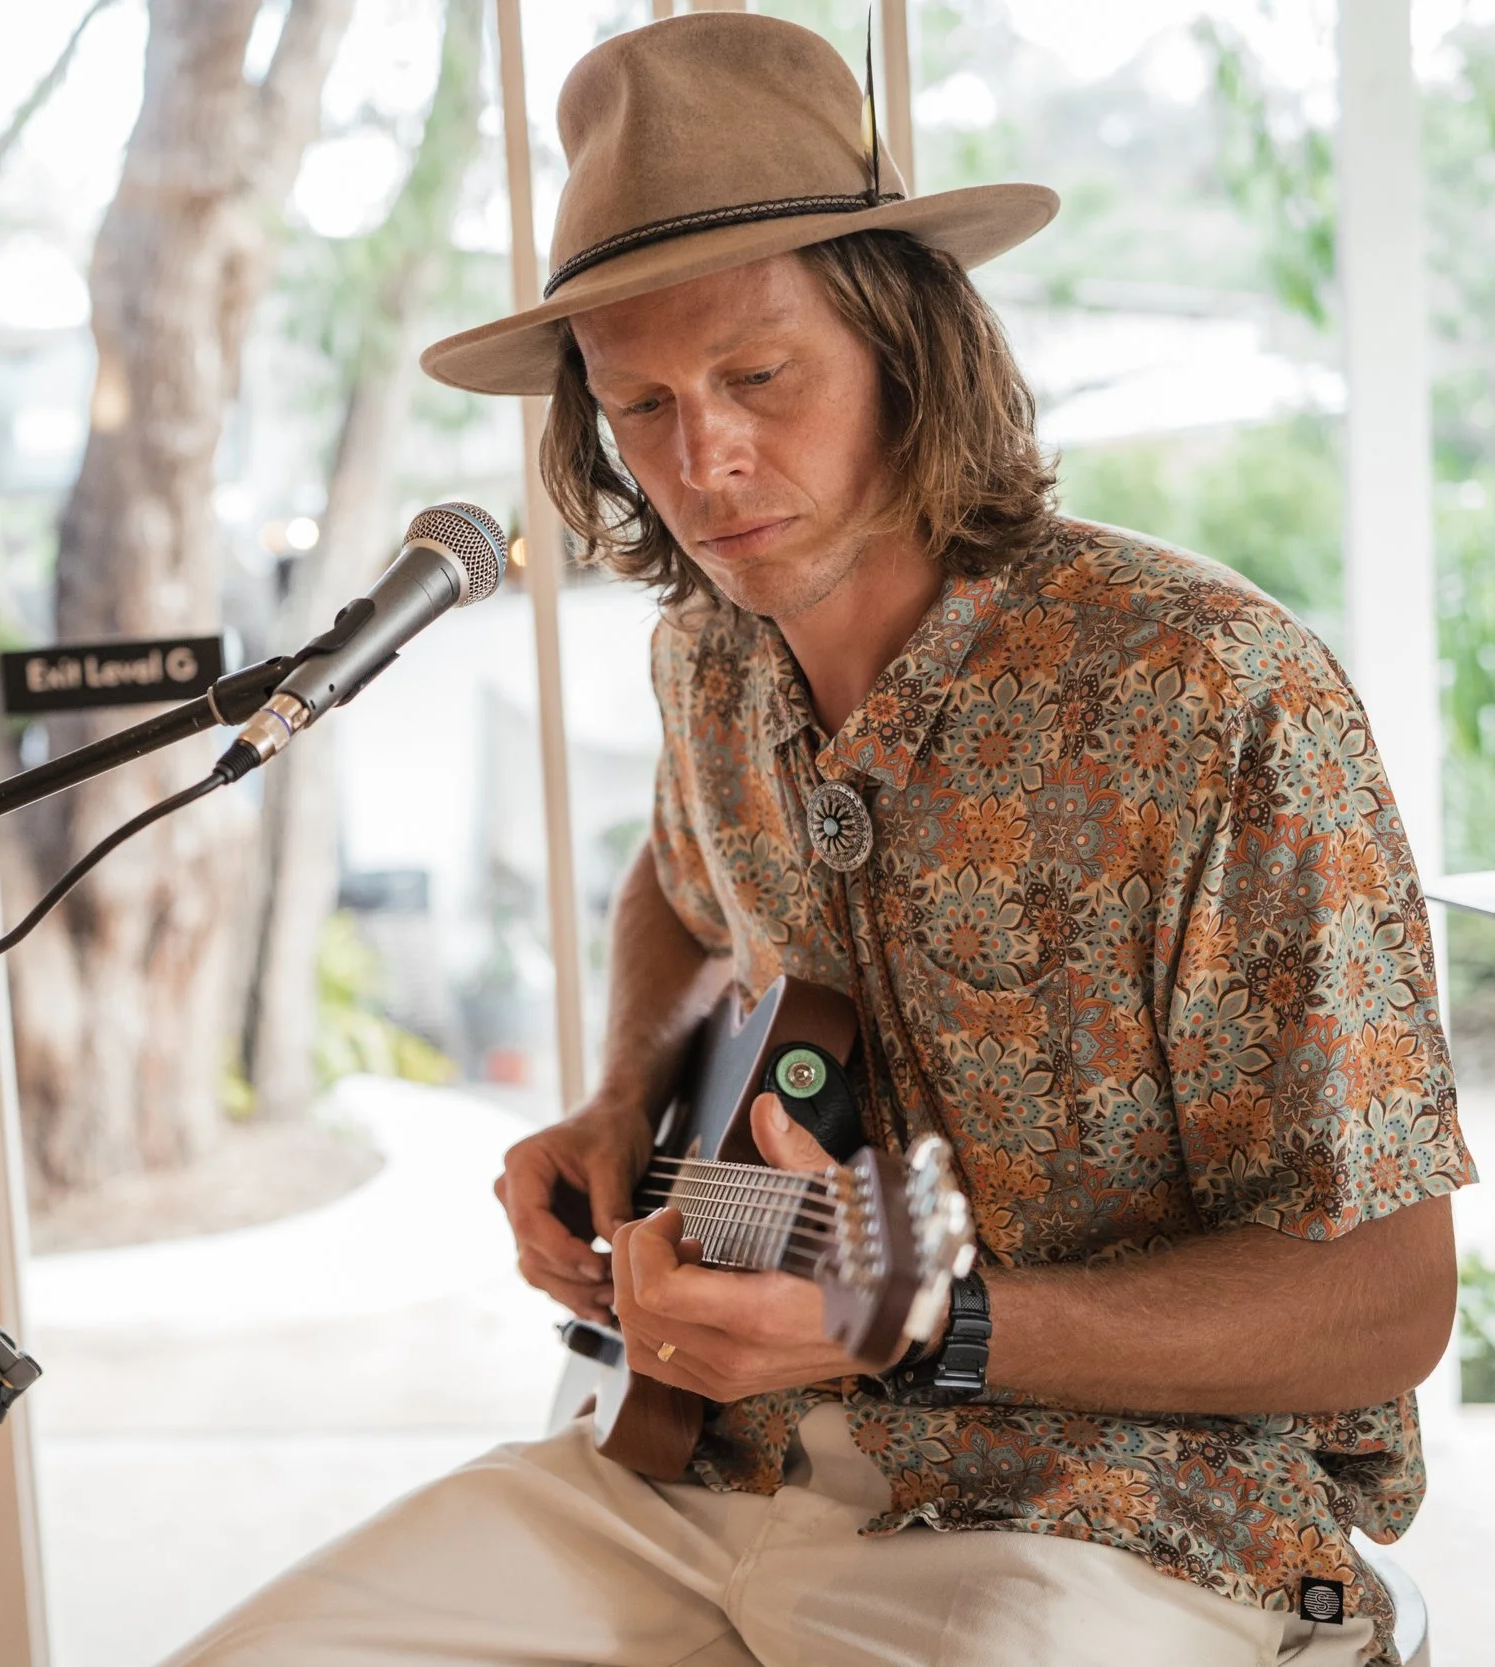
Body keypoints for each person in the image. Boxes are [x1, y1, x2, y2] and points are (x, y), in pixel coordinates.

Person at [162, 14, 1473, 1667]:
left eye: (758, 377)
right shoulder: (704, 657)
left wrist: (916, 1316)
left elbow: (1382, 1300)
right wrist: (621, 1097)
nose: (702, 460)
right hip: (691, 1476)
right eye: (637, 405)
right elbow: (684, 881)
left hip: (1120, 1516)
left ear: (905, 344)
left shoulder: (1211, 694)